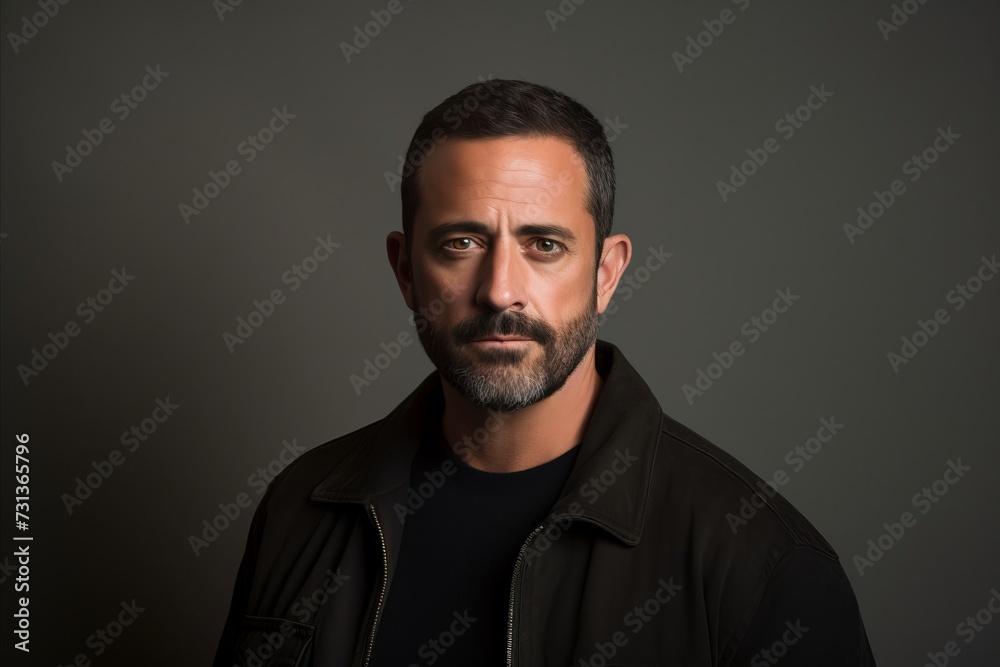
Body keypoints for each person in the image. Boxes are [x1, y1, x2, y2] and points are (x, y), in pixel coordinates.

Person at [214, 79, 877, 666]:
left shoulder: (758, 561)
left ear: (606, 272)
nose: (501, 290)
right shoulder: (301, 510)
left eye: (545, 245)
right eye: (462, 242)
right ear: (405, 270)